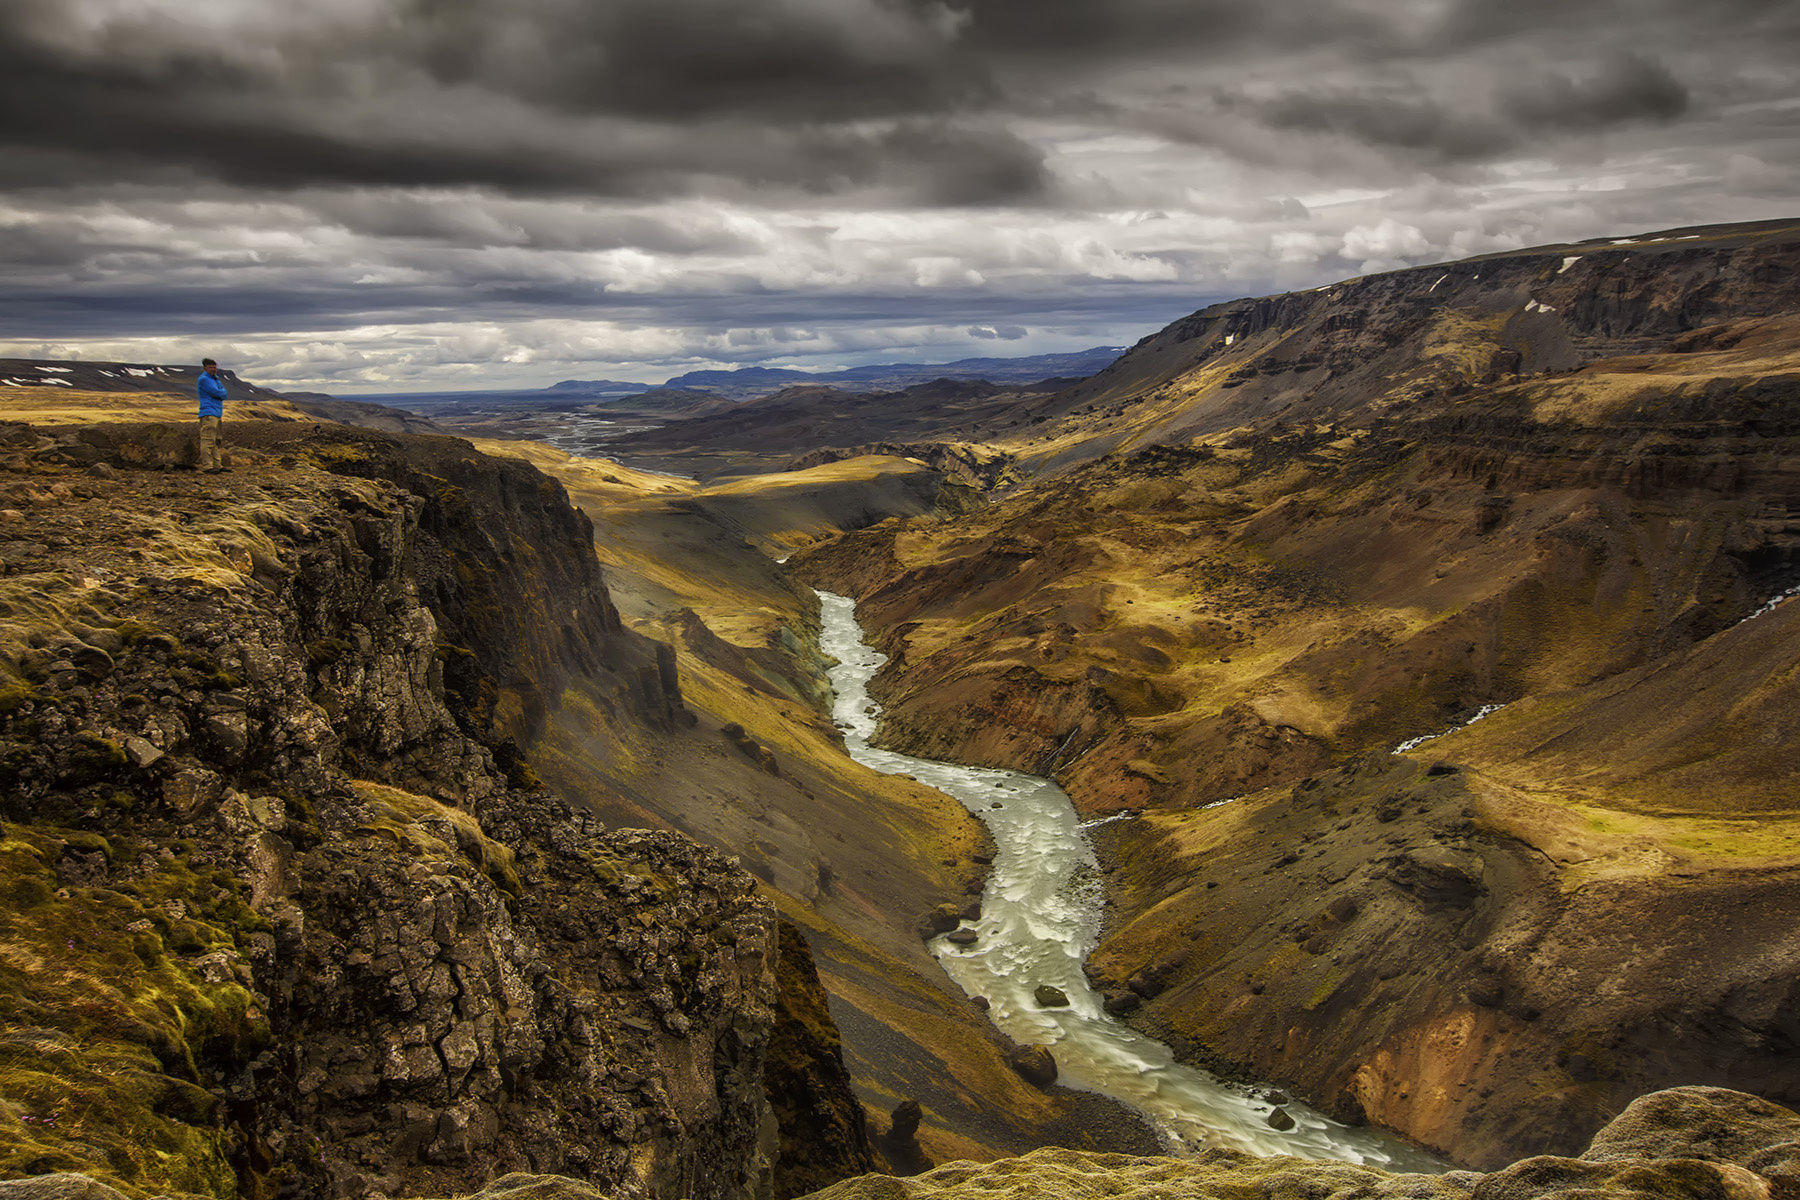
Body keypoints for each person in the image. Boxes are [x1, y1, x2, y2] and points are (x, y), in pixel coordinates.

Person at [196, 357, 228, 472]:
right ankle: (207, 466)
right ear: (205, 368)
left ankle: (217, 465)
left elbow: (224, 394)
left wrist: (221, 393)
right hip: (209, 412)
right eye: (210, 367)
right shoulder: (204, 379)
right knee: (208, 439)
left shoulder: (215, 379)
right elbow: (218, 392)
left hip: (216, 412)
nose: (213, 369)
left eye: (214, 367)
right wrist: (221, 393)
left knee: (216, 440)